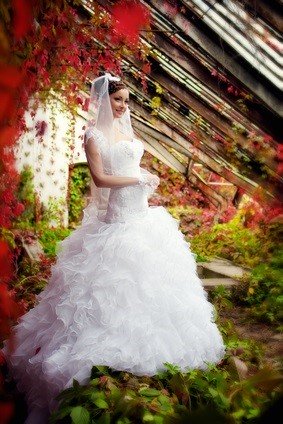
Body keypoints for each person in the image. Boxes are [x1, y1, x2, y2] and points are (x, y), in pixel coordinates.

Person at [2, 73, 225, 423]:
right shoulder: (93, 135)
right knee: (108, 291)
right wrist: (137, 178)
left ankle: (153, 361)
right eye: (116, 100)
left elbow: (130, 164)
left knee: (152, 286)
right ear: (103, 101)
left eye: (125, 101)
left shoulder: (126, 130)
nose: (122, 106)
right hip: (116, 221)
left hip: (143, 218)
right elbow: (101, 179)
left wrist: (145, 175)